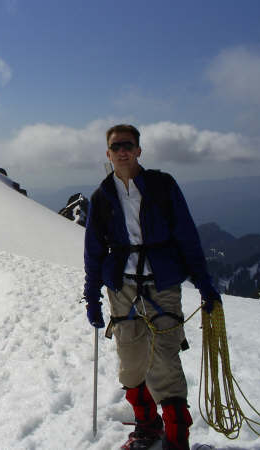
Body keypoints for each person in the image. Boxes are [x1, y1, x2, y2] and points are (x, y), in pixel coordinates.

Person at [83, 124, 221, 450]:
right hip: (123, 288)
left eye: (128, 145)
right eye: (116, 146)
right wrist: (91, 297)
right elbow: (93, 251)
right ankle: (147, 426)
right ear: (108, 153)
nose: (122, 151)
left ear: (139, 150)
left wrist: (204, 283)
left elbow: (186, 235)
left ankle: (177, 439)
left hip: (162, 285)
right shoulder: (102, 197)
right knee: (130, 364)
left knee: (165, 363)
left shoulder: (162, 186)